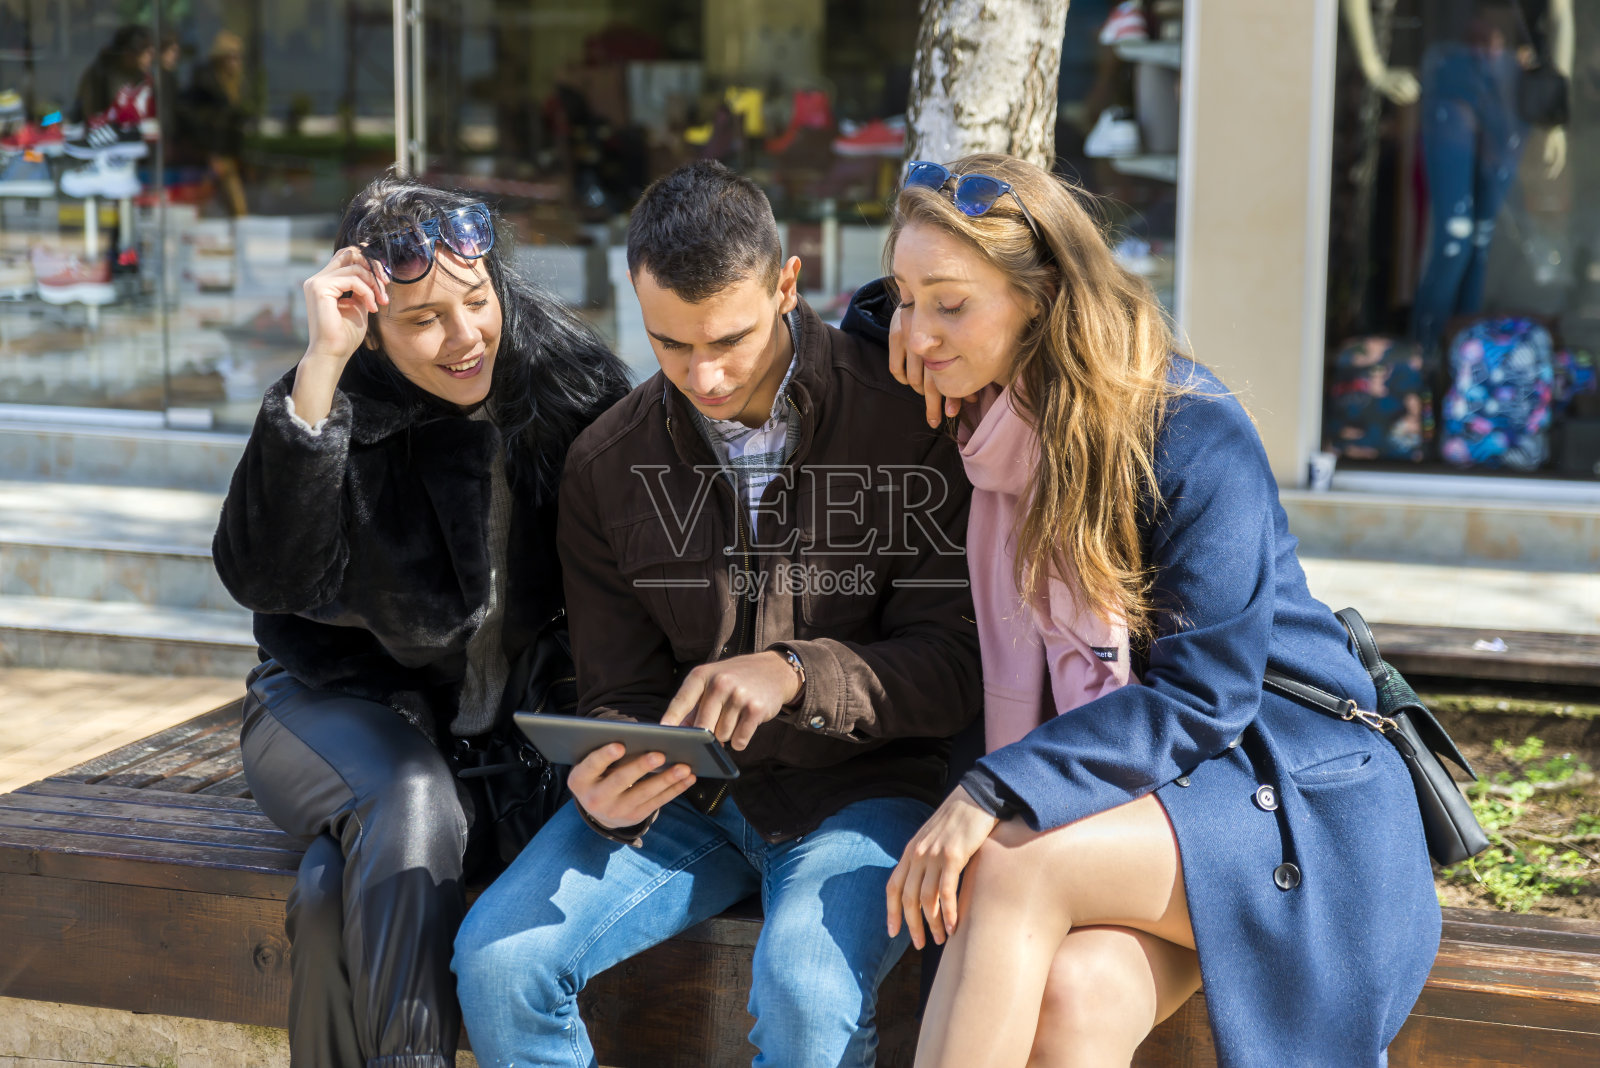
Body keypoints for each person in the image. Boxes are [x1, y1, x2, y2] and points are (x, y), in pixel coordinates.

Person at [848, 155, 1439, 1066]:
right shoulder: (994, 422)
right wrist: (893, 312)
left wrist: (995, 785)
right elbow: (864, 320)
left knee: (1008, 859)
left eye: (950, 305)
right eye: (905, 299)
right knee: (1077, 1000)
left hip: (1283, 786)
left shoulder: (1188, 428)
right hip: (1155, 797)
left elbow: (1202, 698)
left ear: (1041, 299)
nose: (919, 334)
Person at [452, 160, 983, 1067]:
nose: (704, 375)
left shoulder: (916, 419)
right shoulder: (604, 464)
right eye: (670, 344)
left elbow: (961, 663)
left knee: (806, 999)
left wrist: (795, 674)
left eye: (729, 339)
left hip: (865, 791)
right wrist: (604, 773)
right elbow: (618, 685)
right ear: (634, 295)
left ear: (788, 283)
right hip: (684, 803)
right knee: (500, 965)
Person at [212, 173, 630, 1068]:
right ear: (371, 321)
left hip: (488, 746)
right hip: (320, 711)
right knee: (405, 795)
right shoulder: (334, 396)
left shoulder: (568, 383)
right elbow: (264, 577)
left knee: (329, 891)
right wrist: (322, 367)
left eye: (476, 302)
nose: (463, 336)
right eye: (421, 320)